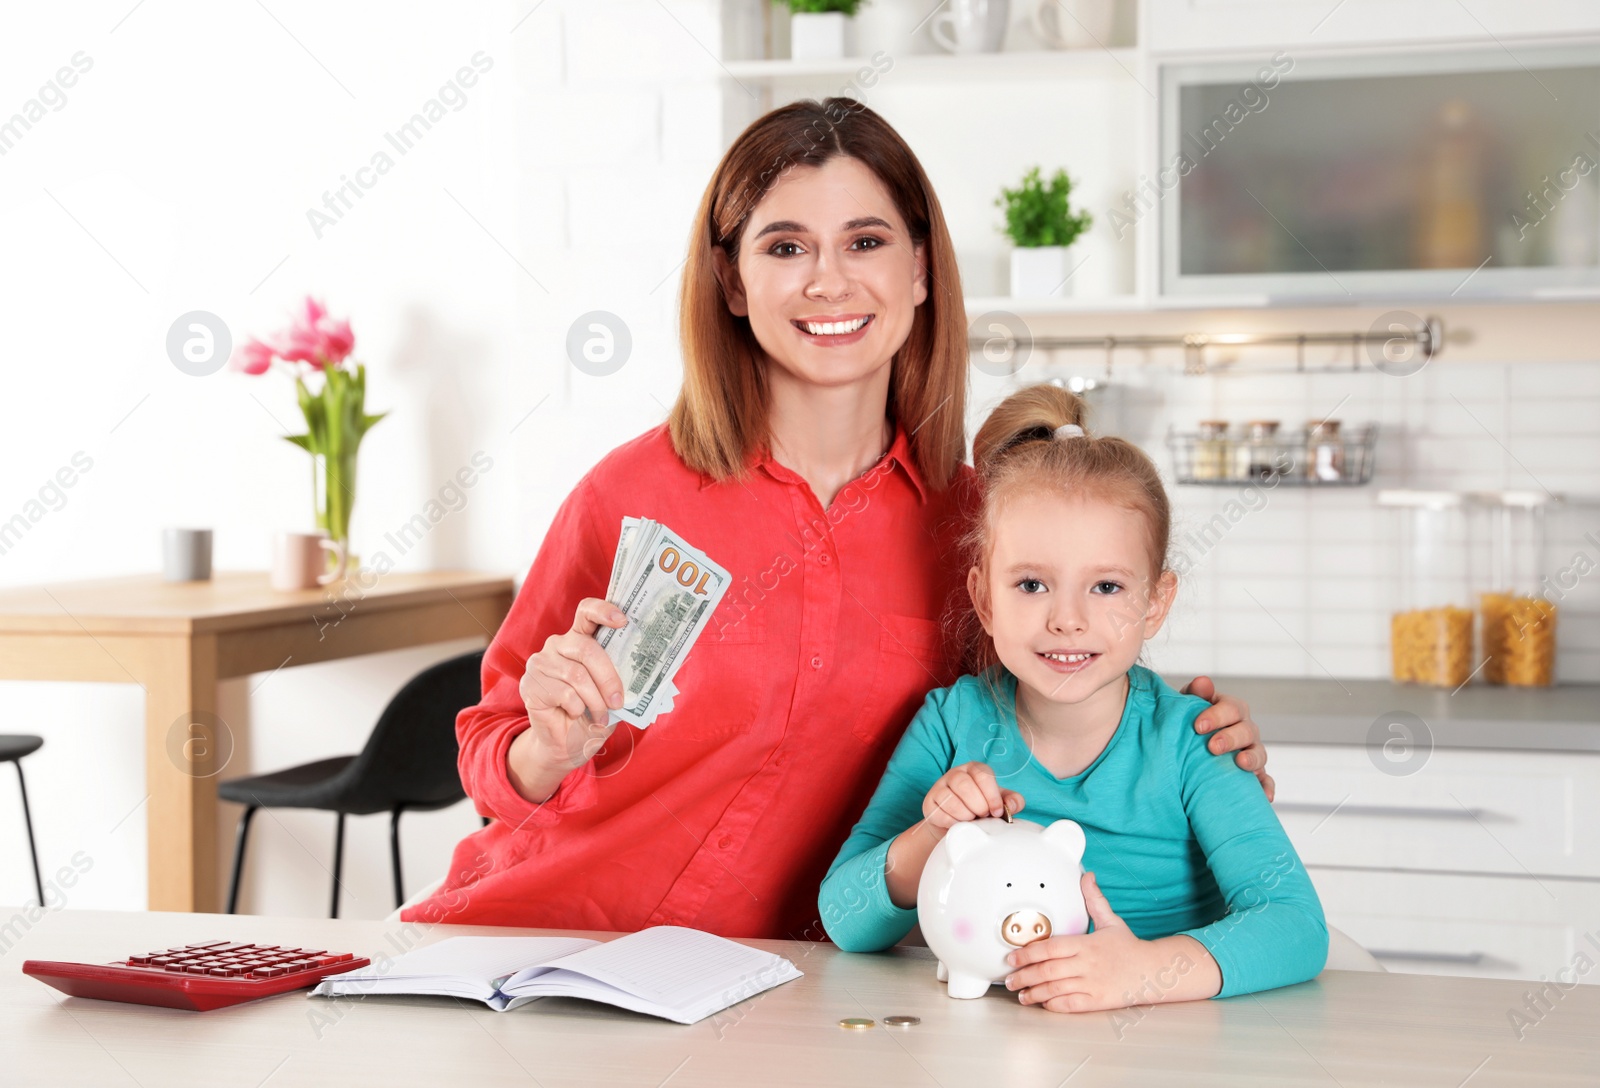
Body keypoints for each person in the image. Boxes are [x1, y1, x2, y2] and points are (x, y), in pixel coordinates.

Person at [403, 98, 1272, 939]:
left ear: (922, 269)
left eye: (865, 241)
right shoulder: (631, 493)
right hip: (543, 945)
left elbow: (1058, 727)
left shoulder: (980, 527)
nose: (828, 280)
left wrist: (1192, 752)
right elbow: (490, 756)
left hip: (799, 987)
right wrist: (546, 747)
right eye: (786, 247)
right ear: (732, 281)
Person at [818, 384, 1327, 1009]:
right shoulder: (950, 726)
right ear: (983, 598)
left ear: (1156, 602)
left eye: (1106, 587)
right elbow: (844, 919)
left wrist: (1141, 973)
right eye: (1031, 584)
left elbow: (1295, 926)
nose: (1067, 619)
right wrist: (933, 833)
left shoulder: (1195, 743)